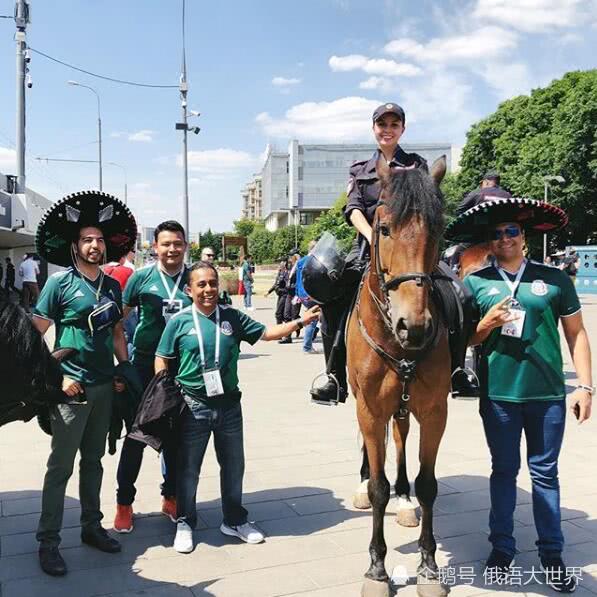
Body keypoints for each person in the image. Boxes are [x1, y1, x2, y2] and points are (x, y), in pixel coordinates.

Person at [446, 196, 592, 592]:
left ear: (524, 236)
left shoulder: (554, 279)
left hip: (547, 397)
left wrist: (584, 386)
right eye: (497, 234)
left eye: (512, 231)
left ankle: (552, 554)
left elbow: (576, 334)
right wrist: (487, 324)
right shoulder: (474, 283)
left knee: (546, 475)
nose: (505, 238)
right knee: (504, 472)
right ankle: (502, 549)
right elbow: (463, 341)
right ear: (490, 243)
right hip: (499, 397)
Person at [305, 102, 478, 404]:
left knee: (460, 295)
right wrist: (373, 236)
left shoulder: (418, 165)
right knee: (333, 298)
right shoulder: (360, 170)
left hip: (414, 252)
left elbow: (430, 207)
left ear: (402, 129)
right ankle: (333, 376)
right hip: (371, 249)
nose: (387, 130)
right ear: (374, 129)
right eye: (382, 124)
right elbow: (353, 209)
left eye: (393, 125)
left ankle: (458, 371)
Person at [154, 260, 320, 553]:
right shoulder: (179, 321)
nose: (208, 289)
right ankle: (185, 521)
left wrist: (300, 322)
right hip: (193, 405)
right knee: (188, 468)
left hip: (229, 406)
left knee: (233, 466)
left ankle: (233, 520)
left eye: (212, 283)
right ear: (190, 289)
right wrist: (164, 391)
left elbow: (266, 334)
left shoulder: (231, 317)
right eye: (201, 284)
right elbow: (162, 357)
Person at [32, 190, 136, 576]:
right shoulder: (58, 285)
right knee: (61, 466)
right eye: (87, 239)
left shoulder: (112, 286)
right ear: (75, 246)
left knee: (93, 462)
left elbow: (118, 333)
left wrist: (124, 370)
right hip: (70, 391)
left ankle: (92, 527)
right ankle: (48, 541)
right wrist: (58, 378)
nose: (95, 245)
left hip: (104, 386)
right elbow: (34, 337)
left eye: (99, 239)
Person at [112, 220, 192, 534]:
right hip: (145, 368)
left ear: (185, 246)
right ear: (154, 247)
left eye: (177, 243)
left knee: (176, 439)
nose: (171, 249)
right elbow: (119, 320)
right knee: (136, 438)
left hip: (182, 369)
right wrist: (123, 364)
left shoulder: (194, 278)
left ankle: (170, 497)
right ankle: (124, 504)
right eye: (165, 244)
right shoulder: (140, 279)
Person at [296, 241, 319, 354]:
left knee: (313, 319)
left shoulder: (301, 261)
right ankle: (307, 347)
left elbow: (297, 279)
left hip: (302, 294)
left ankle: (309, 343)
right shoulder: (313, 261)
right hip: (311, 294)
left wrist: (297, 294)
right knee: (312, 320)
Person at [265, 260, 289, 325]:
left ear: (284, 266)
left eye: (281, 265)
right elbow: (276, 284)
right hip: (280, 295)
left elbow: (287, 285)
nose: (280, 266)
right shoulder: (279, 273)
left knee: (279, 313)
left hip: (284, 295)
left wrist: (282, 290)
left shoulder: (287, 274)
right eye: (280, 265)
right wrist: (269, 292)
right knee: (280, 314)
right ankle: (280, 328)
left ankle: (282, 329)